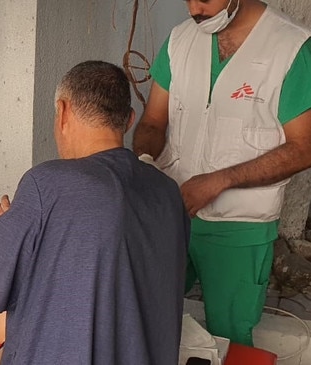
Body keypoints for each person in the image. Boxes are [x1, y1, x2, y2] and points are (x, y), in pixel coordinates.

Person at [0, 60, 190, 364]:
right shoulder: (169, 194)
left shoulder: (46, 184)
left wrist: (3, 230)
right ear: (129, 121)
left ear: (62, 111)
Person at [132, 0, 311, 346]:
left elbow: (303, 148)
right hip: (173, 213)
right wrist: (143, 161)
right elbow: (153, 121)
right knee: (147, 313)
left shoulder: (291, 48)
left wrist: (220, 181)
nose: (194, 8)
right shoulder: (179, 41)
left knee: (230, 332)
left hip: (241, 226)